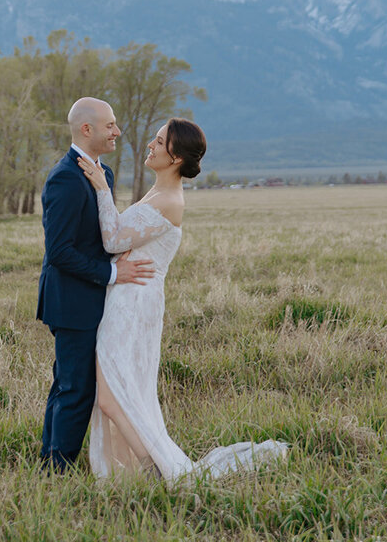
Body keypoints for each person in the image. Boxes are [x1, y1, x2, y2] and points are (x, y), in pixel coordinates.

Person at [77, 117, 288, 481]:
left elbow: (112, 240)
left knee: (111, 396)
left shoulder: (169, 201)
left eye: (159, 142)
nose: (151, 146)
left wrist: (100, 189)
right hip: (128, 297)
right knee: (115, 392)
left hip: (133, 304)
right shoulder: (158, 194)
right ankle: (151, 466)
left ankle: (154, 469)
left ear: (175, 156)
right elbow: (122, 244)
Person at [37, 97, 156, 473]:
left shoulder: (99, 171)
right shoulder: (66, 178)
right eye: (110, 126)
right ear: (86, 129)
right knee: (76, 389)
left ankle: (50, 462)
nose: (117, 132)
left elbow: (97, 235)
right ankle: (57, 471)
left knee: (68, 385)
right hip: (71, 301)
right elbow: (59, 252)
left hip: (89, 299)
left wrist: (112, 260)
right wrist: (112, 273)